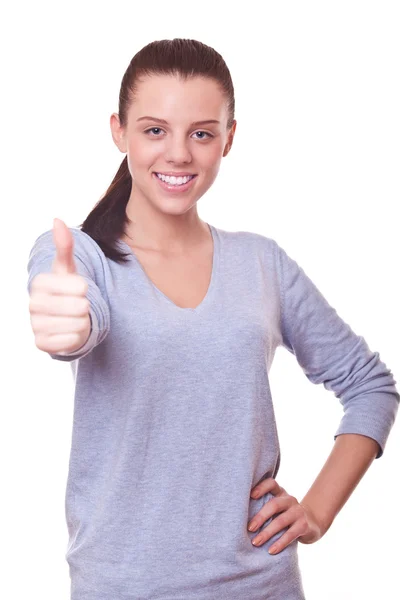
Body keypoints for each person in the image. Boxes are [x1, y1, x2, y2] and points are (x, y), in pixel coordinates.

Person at [26, 38, 399, 600]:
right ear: (118, 131)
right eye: (155, 130)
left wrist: (318, 510)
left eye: (201, 132)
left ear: (229, 138)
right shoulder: (80, 257)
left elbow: (370, 385)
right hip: (122, 587)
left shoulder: (261, 263)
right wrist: (67, 324)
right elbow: (73, 317)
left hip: (260, 584)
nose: (178, 153)